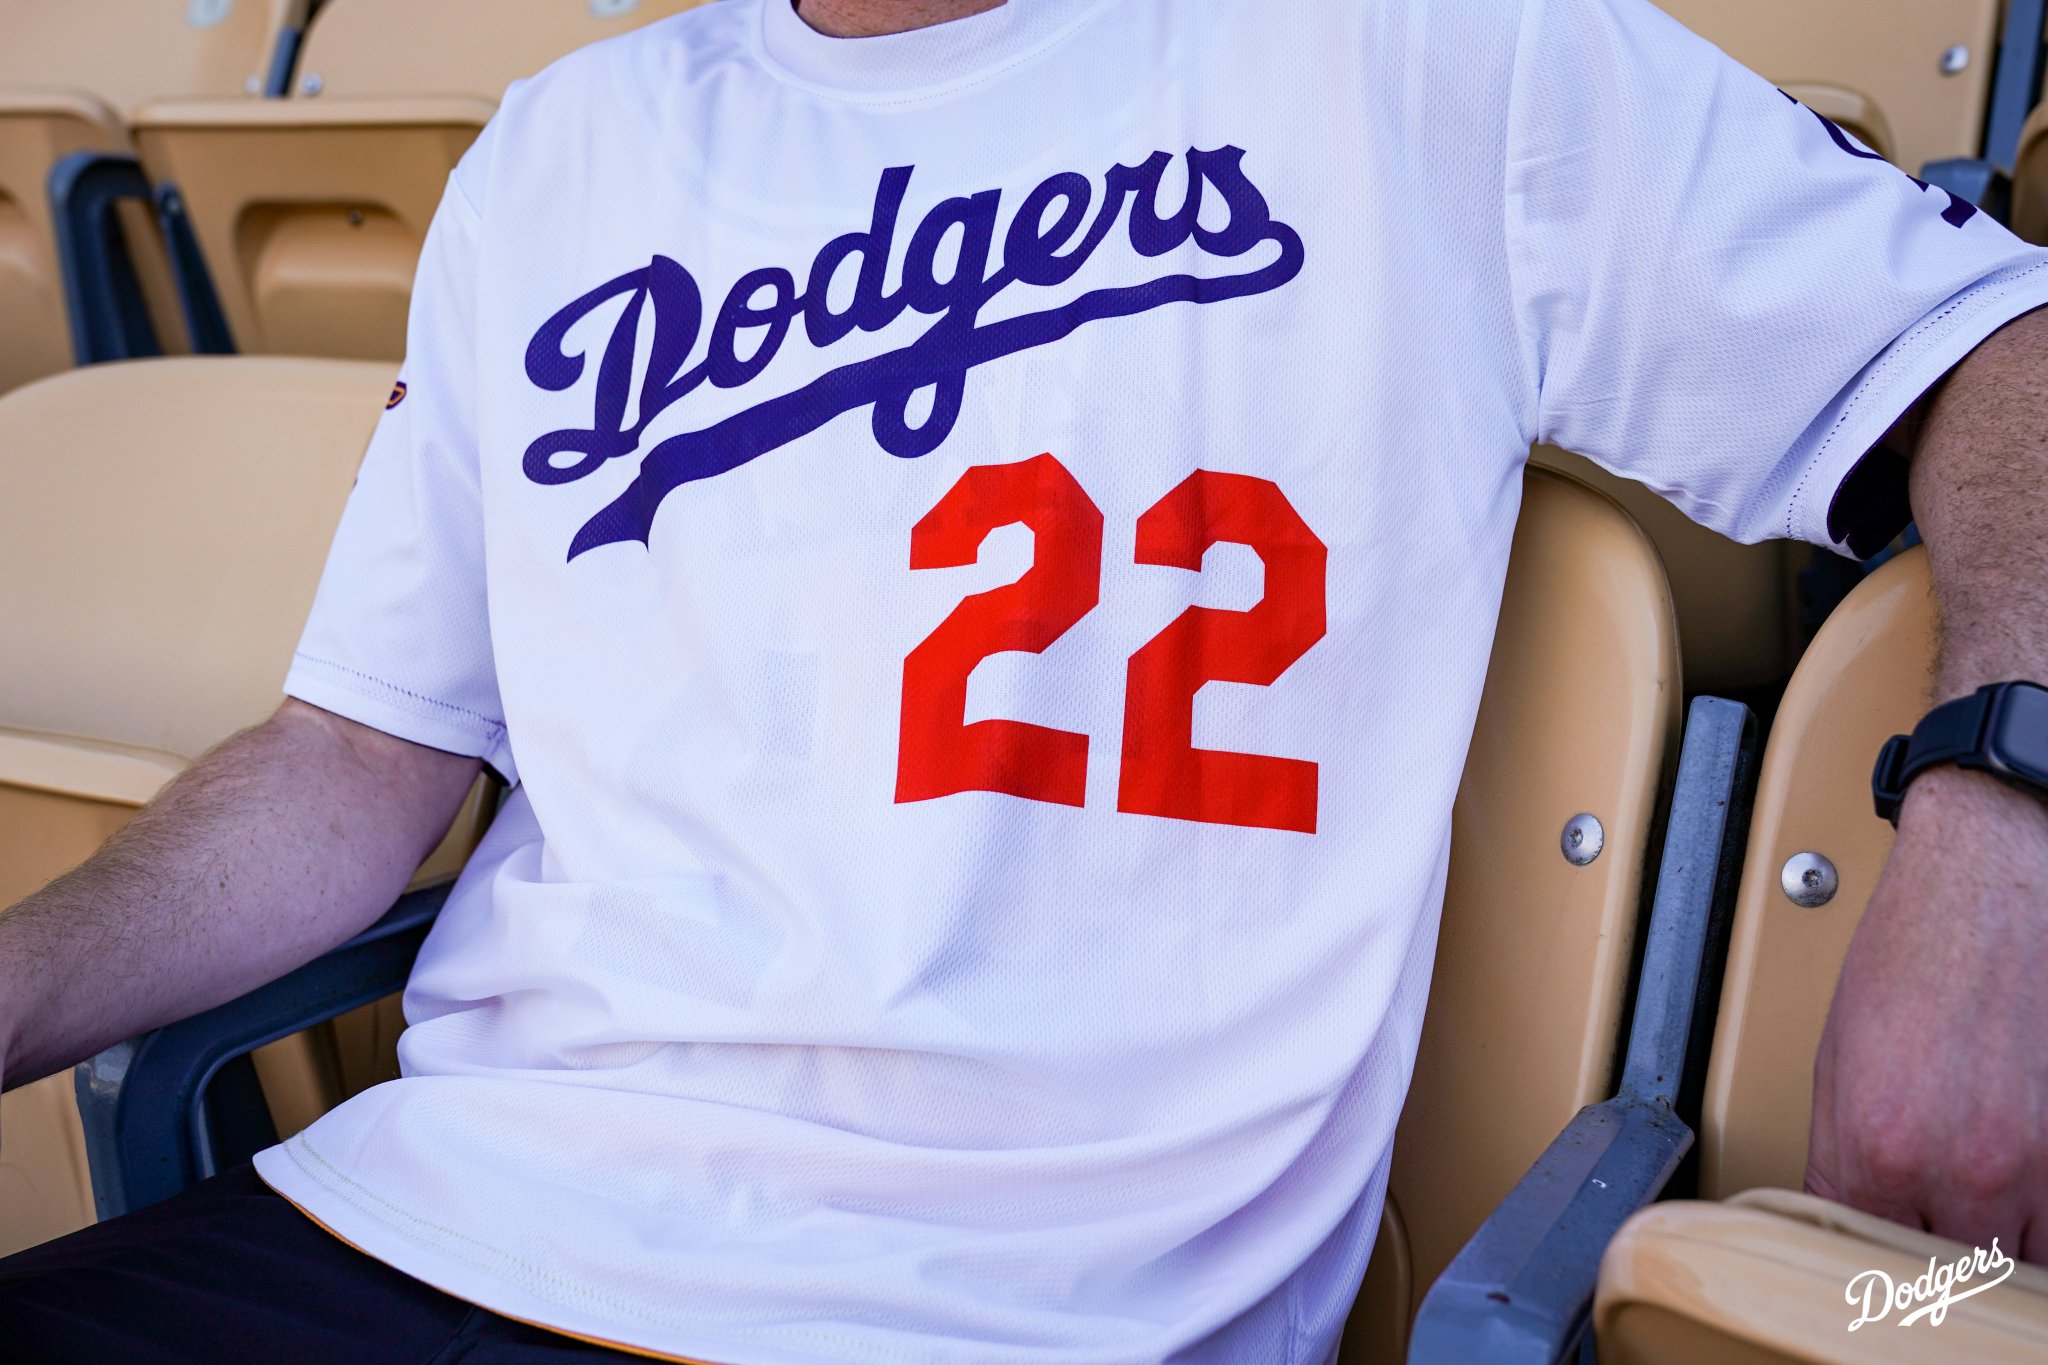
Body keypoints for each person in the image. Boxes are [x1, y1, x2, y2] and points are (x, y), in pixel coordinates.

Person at [1, 0, 2045, 1359]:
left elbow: (2001, 362)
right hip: (418, 1220)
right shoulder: (561, 149)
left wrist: (1996, 830)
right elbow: (345, 759)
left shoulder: (1421, 48)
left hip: (1024, 1307)